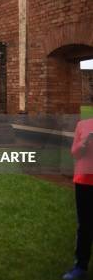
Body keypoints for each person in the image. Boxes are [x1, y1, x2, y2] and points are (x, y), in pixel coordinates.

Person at [63, 118, 93, 280]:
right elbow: (75, 152)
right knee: (85, 226)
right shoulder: (83, 125)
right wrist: (85, 142)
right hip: (84, 182)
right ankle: (81, 266)